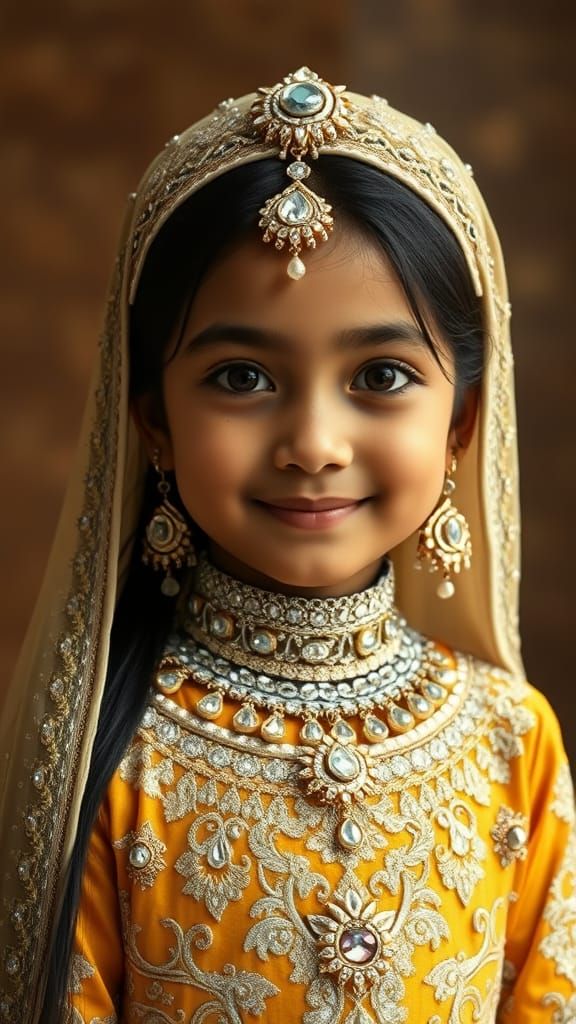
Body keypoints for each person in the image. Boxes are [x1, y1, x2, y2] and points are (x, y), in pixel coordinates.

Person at [1, 68, 574, 1024]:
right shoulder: (105, 761)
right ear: (153, 422)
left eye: (382, 374)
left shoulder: (512, 742)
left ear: (463, 423)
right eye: (241, 376)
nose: (313, 443)